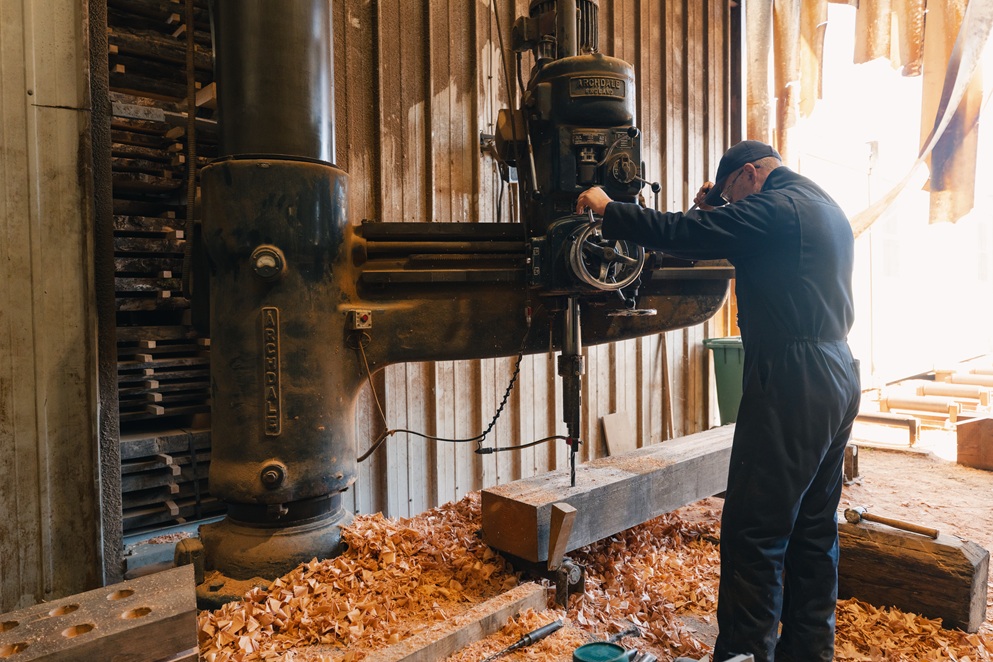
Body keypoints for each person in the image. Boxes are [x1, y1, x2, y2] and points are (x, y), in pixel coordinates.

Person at [576, 140, 861, 662]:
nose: (733, 205)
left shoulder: (774, 207)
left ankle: (745, 654)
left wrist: (608, 208)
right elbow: (726, 235)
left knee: (755, 530)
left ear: (751, 173)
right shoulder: (819, 205)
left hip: (793, 377)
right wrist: (719, 207)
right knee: (813, 531)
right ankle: (809, 653)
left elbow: (688, 235)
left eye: (734, 193)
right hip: (837, 372)